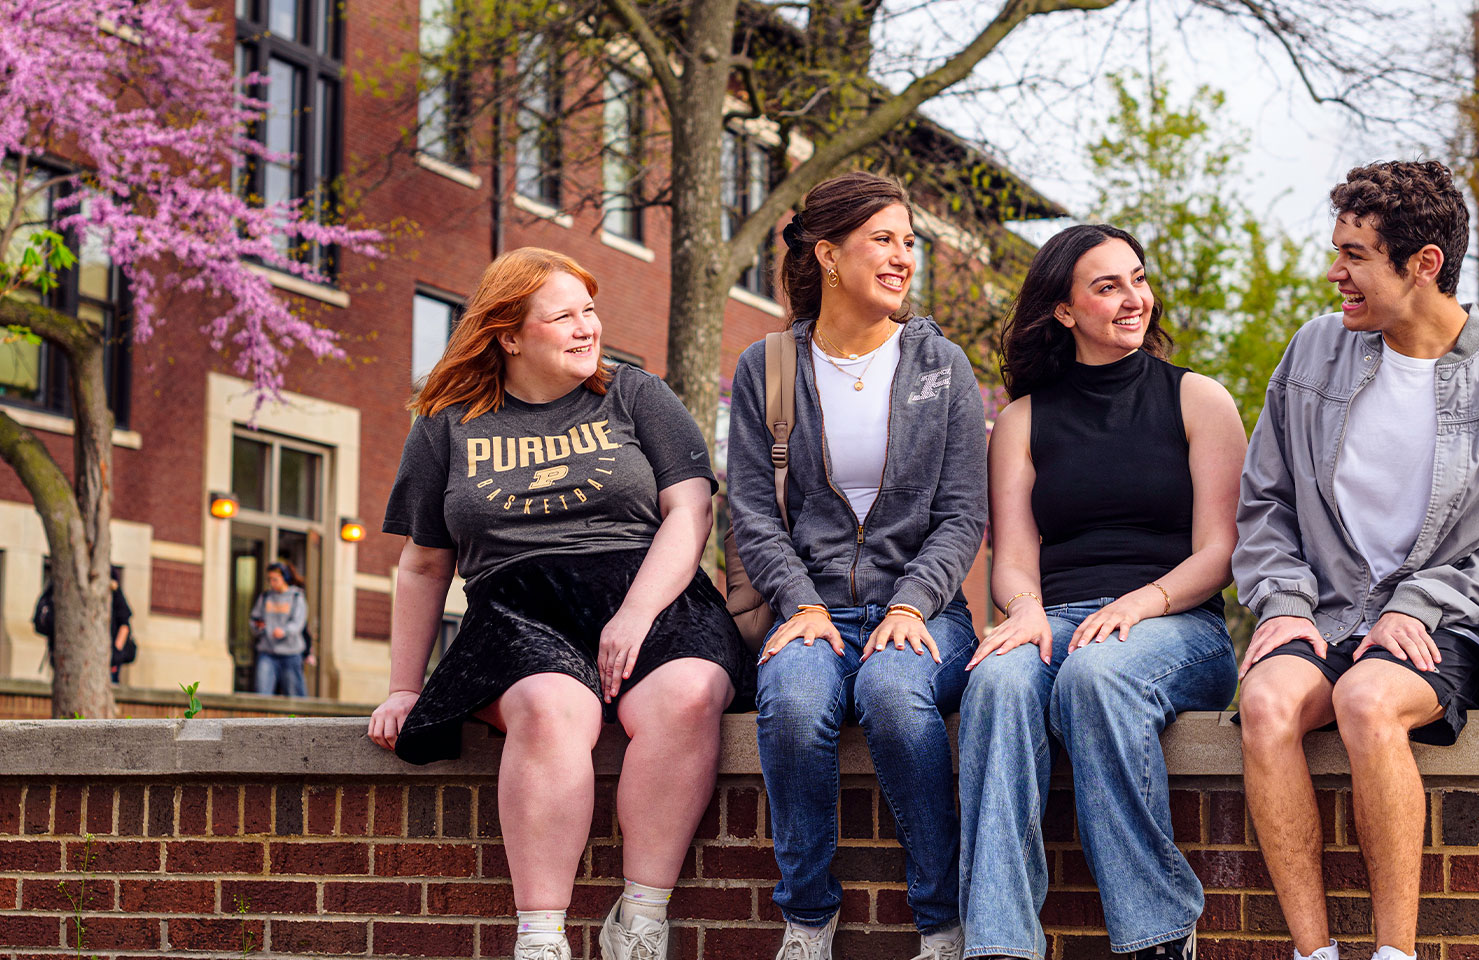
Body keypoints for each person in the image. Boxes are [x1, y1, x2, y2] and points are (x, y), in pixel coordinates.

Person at [1234, 161, 1479, 960]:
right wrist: (1284, 600)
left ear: (1423, 264)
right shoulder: (1312, 354)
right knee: (1264, 708)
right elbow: (1265, 501)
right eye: (1338, 251)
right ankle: (1312, 952)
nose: (1335, 273)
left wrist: (1419, 602)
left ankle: (1396, 955)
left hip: (1447, 628)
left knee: (1365, 702)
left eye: (1355, 255)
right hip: (1325, 609)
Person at [367, 247, 751, 960]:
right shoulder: (447, 423)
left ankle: (641, 922)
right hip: (516, 609)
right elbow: (423, 564)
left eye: (590, 311)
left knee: (690, 695)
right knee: (550, 711)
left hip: (650, 592)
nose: (587, 328)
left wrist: (635, 615)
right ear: (508, 335)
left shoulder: (636, 395)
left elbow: (690, 513)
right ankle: (541, 938)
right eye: (563, 316)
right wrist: (402, 686)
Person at [958, 225, 1247, 960]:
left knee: (1096, 677)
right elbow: (1014, 560)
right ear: (1064, 310)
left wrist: (1140, 602)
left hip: (1177, 625)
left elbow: (1222, 552)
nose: (1133, 299)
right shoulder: (1021, 421)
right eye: (1108, 286)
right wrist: (1024, 611)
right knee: (994, 679)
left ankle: (1157, 931)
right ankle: (999, 942)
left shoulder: (1198, 399)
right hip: (1055, 620)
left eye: (1138, 280)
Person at [728, 171, 986, 960]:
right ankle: (808, 917)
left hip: (925, 610)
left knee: (894, 696)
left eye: (910, 243)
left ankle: (940, 922)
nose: (904, 257)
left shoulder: (944, 368)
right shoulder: (766, 368)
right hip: (812, 610)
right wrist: (798, 603)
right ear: (829, 254)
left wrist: (911, 605)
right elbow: (752, 510)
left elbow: (962, 516)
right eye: (885, 240)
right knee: (797, 706)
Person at [250, 561, 310, 696]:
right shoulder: (265, 597)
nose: (272, 583)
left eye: (275, 579)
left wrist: (284, 631)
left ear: (285, 579)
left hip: (290, 653)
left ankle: (299, 718)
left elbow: (298, 622)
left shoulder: (296, 597)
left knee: (295, 694)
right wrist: (258, 626)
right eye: (270, 579)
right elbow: (254, 619)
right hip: (267, 652)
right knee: (262, 692)